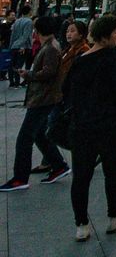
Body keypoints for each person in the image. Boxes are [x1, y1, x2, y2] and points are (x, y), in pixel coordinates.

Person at [64, 14, 116, 242]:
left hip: (82, 127)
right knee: (113, 173)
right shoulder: (114, 59)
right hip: (110, 126)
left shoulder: (80, 61)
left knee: (81, 177)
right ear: (105, 37)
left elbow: (67, 91)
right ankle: (114, 216)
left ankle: (81, 225)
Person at [1, 15, 70, 191]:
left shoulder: (51, 49)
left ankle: (20, 178)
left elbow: (48, 72)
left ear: (37, 30)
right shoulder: (51, 46)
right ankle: (59, 165)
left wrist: (29, 75)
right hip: (44, 98)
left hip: (43, 99)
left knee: (24, 138)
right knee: (39, 134)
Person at [8, 4, 33, 87]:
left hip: (14, 45)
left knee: (13, 65)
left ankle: (12, 82)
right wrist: (22, 46)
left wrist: (11, 45)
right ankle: (17, 83)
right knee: (19, 65)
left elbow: (13, 35)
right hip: (24, 46)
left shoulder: (17, 21)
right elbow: (26, 36)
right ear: (29, 12)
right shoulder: (29, 22)